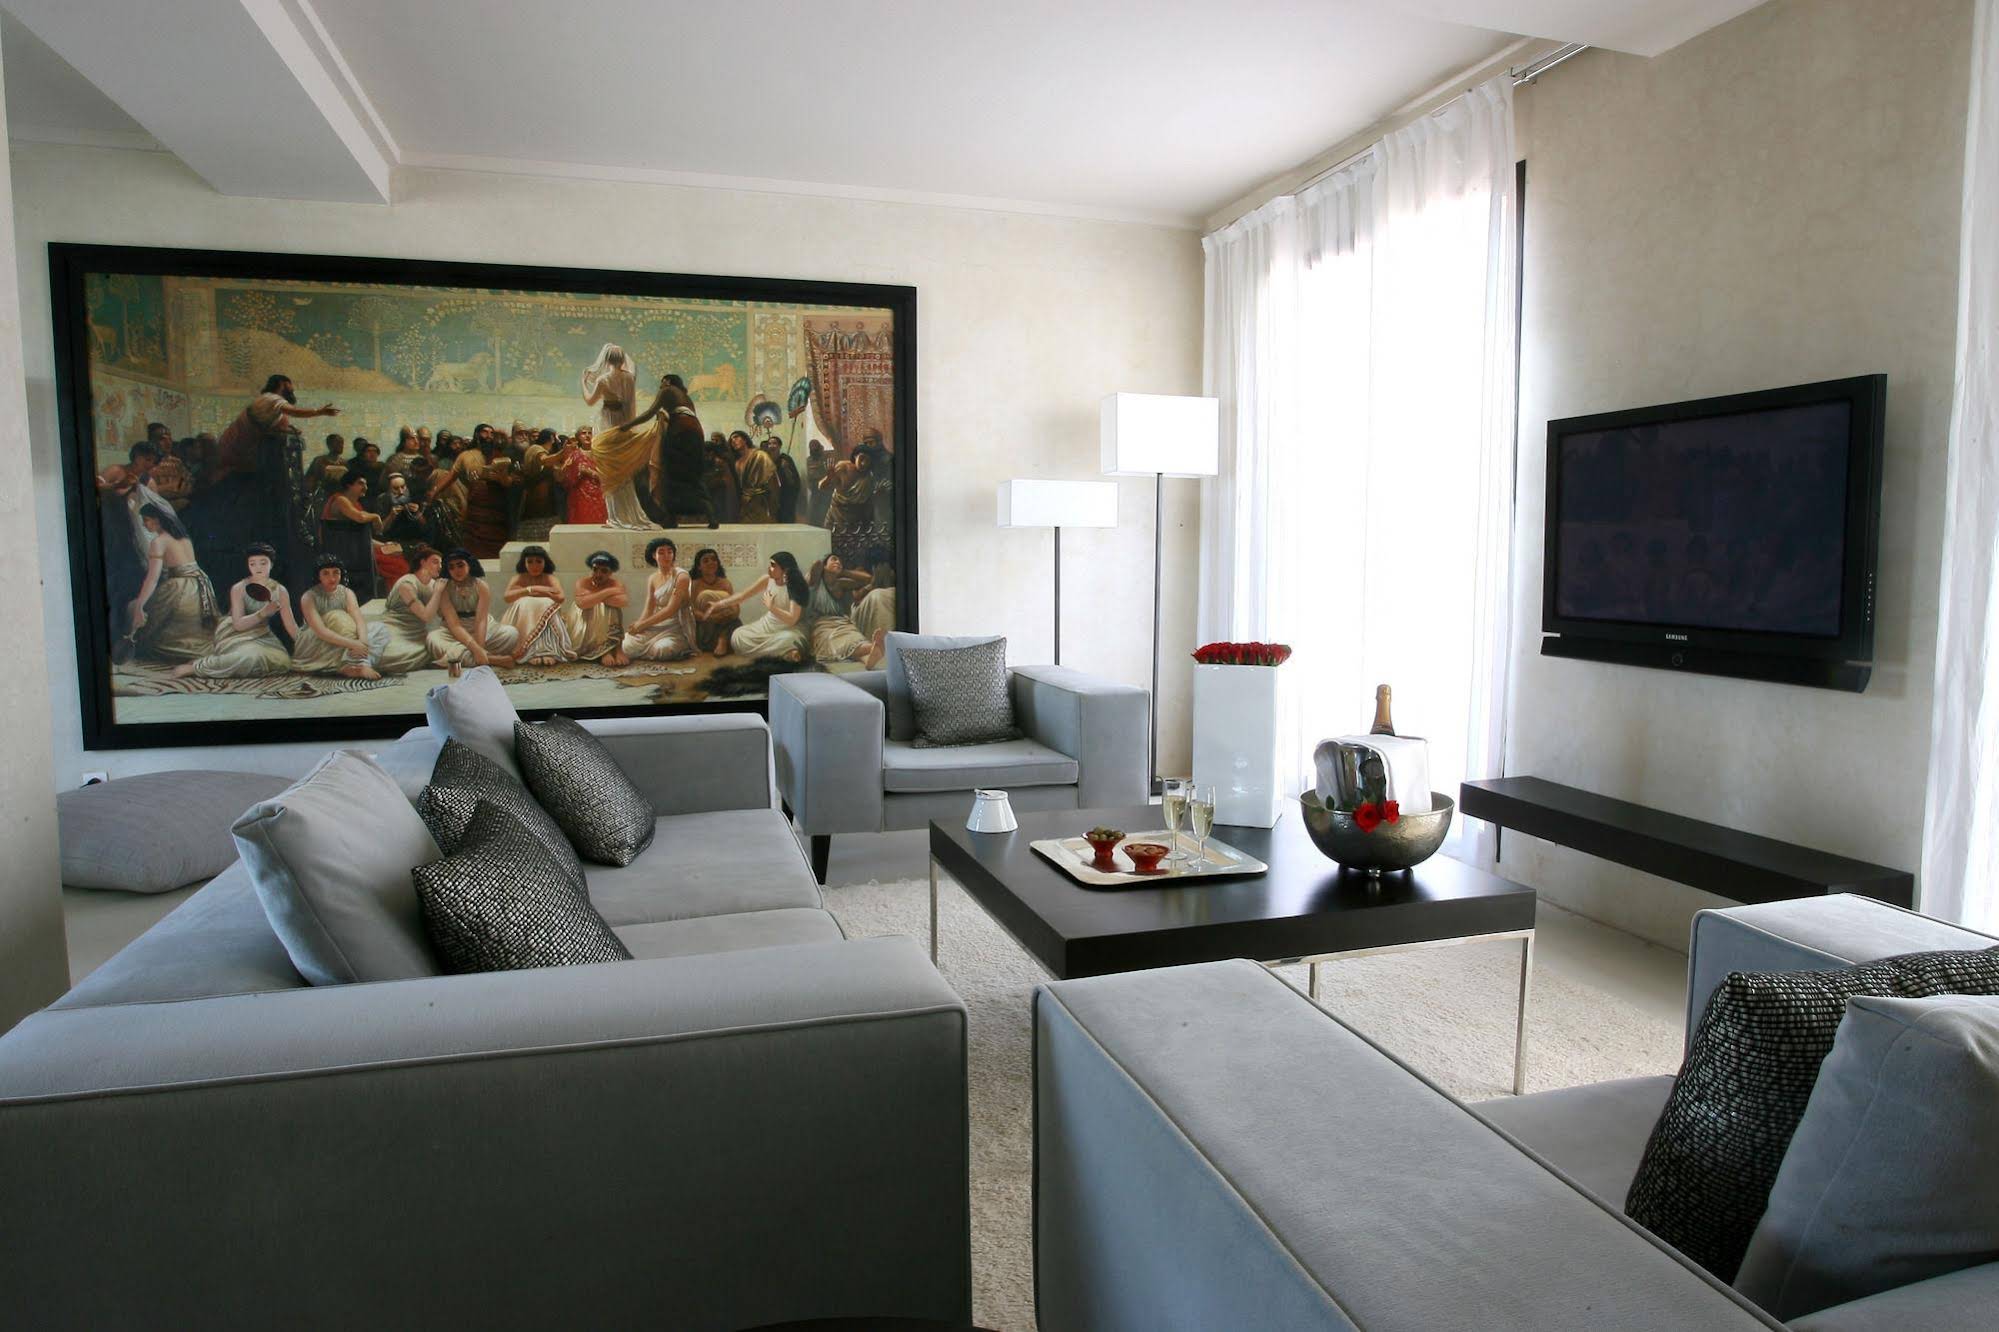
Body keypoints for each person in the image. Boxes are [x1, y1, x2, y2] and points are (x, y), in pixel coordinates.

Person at [172, 542, 298, 679]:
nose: (258, 568)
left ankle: (230, 663)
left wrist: (304, 643)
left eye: (263, 563)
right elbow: (238, 624)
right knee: (250, 657)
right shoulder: (239, 588)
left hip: (264, 635)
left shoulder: (280, 590)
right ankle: (197, 667)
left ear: (271, 564)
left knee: (283, 661)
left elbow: (290, 624)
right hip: (236, 634)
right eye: (253, 564)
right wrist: (263, 613)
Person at [127, 503, 219, 663]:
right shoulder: (184, 538)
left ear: (157, 520)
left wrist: (140, 605)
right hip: (200, 586)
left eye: (146, 520)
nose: (143, 524)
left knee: (139, 617)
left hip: (179, 589)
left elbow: (152, 578)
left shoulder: (159, 542)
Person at [209, 374, 339, 488]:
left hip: (242, 451)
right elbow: (294, 412)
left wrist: (288, 430)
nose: (292, 389)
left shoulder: (268, 402)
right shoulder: (271, 398)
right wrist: (319, 411)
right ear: (282, 384)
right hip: (237, 450)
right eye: (289, 385)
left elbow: (267, 427)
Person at [701, 551, 808, 661]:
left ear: (785, 569)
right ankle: (783, 653)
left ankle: (784, 652)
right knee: (738, 636)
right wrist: (718, 605)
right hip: (766, 625)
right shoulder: (767, 580)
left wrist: (771, 607)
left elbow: (792, 620)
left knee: (790, 638)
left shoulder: (794, 587)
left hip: (785, 629)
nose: (769, 568)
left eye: (773, 565)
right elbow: (742, 596)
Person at [428, 548, 519, 668]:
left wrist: (479, 648)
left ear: (469, 564)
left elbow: (481, 621)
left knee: (511, 634)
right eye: (451, 567)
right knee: (433, 639)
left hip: (481, 629)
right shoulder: (443, 587)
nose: (456, 571)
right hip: (453, 631)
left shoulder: (481, 586)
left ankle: (465, 657)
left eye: (460, 565)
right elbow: (454, 625)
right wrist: (476, 650)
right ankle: (493, 660)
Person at [292, 553, 379, 679]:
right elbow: (320, 631)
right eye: (326, 573)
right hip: (316, 642)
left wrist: (363, 642)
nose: (332, 578)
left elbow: (359, 620)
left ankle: (353, 665)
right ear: (318, 576)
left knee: (378, 628)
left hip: (344, 637)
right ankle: (358, 664)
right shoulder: (309, 597)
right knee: (337, 616)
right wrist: (354, 644)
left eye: (336, 573)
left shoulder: (347, 593)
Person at [372, 544, 447, 674]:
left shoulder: (433, 584)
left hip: (418, 632)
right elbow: (425, 616)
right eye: (435, 562)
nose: (440, 566)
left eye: (441, 563)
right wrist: (438, 593)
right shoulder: (407, 584)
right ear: (423, 562)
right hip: (396, 627)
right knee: (391, 655)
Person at [620, 537, 696, 661]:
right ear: (653, 556)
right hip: (655, 624)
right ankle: (648, 649)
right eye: (661, 552)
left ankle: (678, 648)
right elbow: (649, 608)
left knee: (662, 649)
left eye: (669, 552)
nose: (666, 556)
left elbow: (671, 609)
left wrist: (643, 624)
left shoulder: (682, 576)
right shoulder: (652, 578)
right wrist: (639, 624)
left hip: (675, 625)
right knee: (625, 645)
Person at [805, 553, 887, 667]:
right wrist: (827, 567)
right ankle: (876, 647)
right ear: (824, 565)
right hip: (822, 626)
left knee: (854, 639)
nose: (838, 562)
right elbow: (817, 564)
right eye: (834, 559)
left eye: (840, 561)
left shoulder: (840, 584)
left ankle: (867, 659)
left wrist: (843, 571)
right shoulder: (816, 582)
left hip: (842, 623)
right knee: (838, 642)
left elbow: (868, 579)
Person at [500, 544, 574, 666]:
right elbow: (507, 597)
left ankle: (548, 651)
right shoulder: (518, 578)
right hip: (524, 617)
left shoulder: (550, 578)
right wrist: (532, 589)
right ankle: (529, 652)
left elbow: (560, 598)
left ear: (545, 562)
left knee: (546, 603)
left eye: (539, 561)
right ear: (524, 563)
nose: (534, 566)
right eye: (530, 562)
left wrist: (540, 592)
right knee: (525, 603)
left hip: (546, 615)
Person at [655, 375, 713, 527]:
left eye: (662, 382)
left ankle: (671, 518)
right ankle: (711, 515)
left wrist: (627, 426)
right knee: (694, 475)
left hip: (680, 432)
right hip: (694, 432)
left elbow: (649, 412)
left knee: (670, 473)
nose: (660, 386)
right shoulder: (685, 397)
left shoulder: (668, 391)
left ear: (668, 382)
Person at [448, 425, 514, 557]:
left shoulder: (502, 455)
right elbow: (450, 477)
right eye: (485, 432)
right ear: (477, 435)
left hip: (496, 512)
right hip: (476, 512)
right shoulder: (466, 455)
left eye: (491, 433)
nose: (489, 436)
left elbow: (509, 482)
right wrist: (433, 492)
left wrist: (501, 478)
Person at [320, 469, 384, 600]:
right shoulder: (340, 500)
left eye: (366, 484)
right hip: (345, 553)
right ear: (349, 485)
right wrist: (376, 516)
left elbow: (364, 536)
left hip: (356, 550)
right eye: (360, 483)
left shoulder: (355, 504)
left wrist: (384, 545)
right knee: (397, 564)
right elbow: (360, 518)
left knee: (395, 555)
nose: (365, 487)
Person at [567, 550, 630, 667]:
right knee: (598, 606)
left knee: (610, 607)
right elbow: (582, 603)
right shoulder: (582, 582)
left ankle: (617, 649)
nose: (598, 574)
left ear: (610, 573)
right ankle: (603, 651)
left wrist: (593, 596)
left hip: (604, 621)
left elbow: (623, 602)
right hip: (583, 624)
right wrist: (609, 591)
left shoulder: (616, 583)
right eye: (595, 569)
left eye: (604, 571)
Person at [688, 547, 739, 656]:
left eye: (714, 559)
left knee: (735, 620)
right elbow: (691, 610)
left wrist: (726, 614)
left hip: (724, 624)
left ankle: (722, 640)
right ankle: (718, 641)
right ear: (699, 566)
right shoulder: (694, 585)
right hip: (705, 625)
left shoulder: (725, 583)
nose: (711, 563)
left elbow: (735, 608)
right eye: (706, 561)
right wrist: (711, 617)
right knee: (705, 596)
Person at [582, 344, 638, 435]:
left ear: (607, 361)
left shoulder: (603, 380)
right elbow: (630, 403)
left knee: (606, 439)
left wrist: (583, 383)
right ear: (622, 360)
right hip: (623, 418)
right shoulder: (629, 378)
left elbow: (590, 401)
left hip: (607, 419)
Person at [556, 425, 608, 524]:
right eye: (583, 433)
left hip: (599, 495)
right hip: (579, 497)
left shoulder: (600, 454)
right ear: (578, 437)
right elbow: (564, 479)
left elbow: (607, 476)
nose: (587, 435)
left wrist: (589, 472)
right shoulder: (573, 455)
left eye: (589, 433)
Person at [851, 543, 898, 641]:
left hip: (888, 597)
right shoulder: (860, 573)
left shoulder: (890, 571)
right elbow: (856, 597)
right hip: (865, 605)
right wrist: (872, 584)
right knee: (876, 596)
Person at [732, 431, 779, 523]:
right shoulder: (737, 462)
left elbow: (772, 479)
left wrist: (773, 503)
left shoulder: (760, 455)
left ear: (745, 440)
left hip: (761, 502)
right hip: (745, 503)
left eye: (736, 437)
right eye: (731, 440)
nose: (733, 441)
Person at [765, 439, 803, 523]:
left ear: (779, 446)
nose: (772, 446)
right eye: (769, 444)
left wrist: (785, 469)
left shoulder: (786, 459)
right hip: (772, 497)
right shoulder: (766, 460)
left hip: (785, 497)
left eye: (774, 443)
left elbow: (793, 481)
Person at [804, 439, 832, 527]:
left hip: (826, 491)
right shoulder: (808, 460)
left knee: (823, 514)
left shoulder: (826, 458)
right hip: (814, 491)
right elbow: (808, 476)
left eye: (816, 449)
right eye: (811, 449)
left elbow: (830, 474)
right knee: (811, 516)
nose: (813, 450)